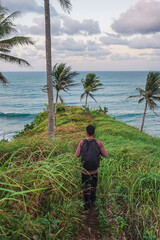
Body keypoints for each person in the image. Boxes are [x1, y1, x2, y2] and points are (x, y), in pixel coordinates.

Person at [75, 125, 107, 211]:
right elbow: (105, 155)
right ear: (94, 132)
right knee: (94, 185)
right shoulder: (98, 143)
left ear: (86, 132)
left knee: (85, 187)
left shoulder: (82, 142)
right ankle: (93, 201)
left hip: (85, 170)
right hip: (95, 170)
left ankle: (86, 205)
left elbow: (77, 155)